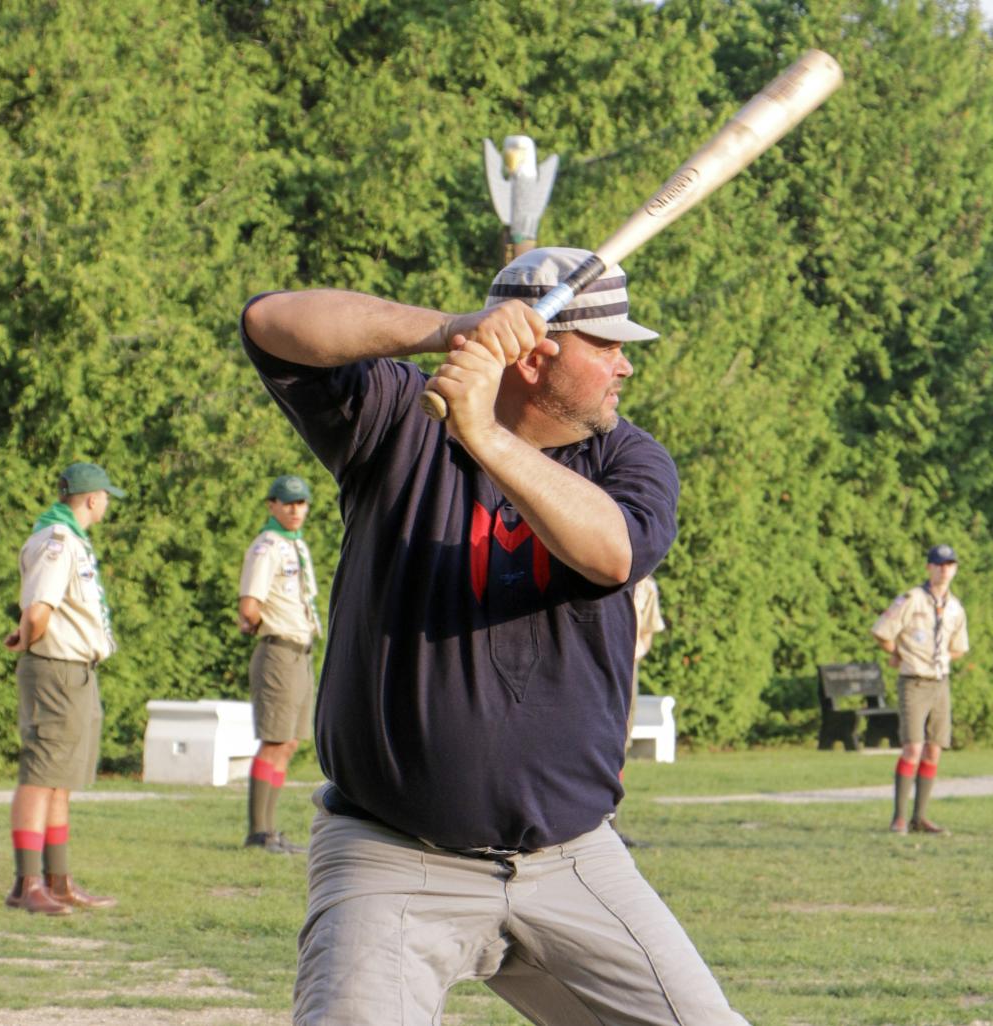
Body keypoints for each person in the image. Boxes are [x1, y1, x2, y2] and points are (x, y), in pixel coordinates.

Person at [241, 246, 749, 1025]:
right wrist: (451, 329)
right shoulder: (398, 424)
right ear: (538, 351)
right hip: (392, 855)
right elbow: (270, 322)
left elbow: (609, 550)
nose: (625, 367)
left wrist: (483, 432)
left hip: (573, 859)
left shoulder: (627, 457)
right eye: (607, 345)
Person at [2, 462, 124, 915]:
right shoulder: (57, 542)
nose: (108, 503)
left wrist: (26, 635)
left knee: (60, 780)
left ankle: (58, 880)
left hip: (74, 669)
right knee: (40, 776)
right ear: (92, 499)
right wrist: (30, 638)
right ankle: (26, 884)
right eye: (106, 496)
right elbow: (38, 609)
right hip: (55, 670)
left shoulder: (69, 539)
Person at [237, 473, 322, 854]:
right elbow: (249, 605)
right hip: (277, 650)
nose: (295, 509)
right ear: (271, 505)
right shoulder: (267, 547)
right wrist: (257, 625)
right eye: (287, 502)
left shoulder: (295, 546)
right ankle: (259, 832)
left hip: (299, 652)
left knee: (288, 742)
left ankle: (271, 831)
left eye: (301, 502)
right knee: (273, 741)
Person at [871, 543, 970, 835]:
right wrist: (900, 653)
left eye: (949, 564)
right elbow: (882, 631)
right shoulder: (911, 599)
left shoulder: (955, 607)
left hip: (940, 681)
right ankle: (899, 817)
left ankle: (920, 816)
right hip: (914, 681)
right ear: (928, 567)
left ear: (955, 569)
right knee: (913, 747)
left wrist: (936, 658)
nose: (944, 570)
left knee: (933, 750)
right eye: (939, 564)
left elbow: (959, 648)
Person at [615, 574, 666, 846]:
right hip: (598, 661)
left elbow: (648, 631)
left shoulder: (646, 586)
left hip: (627, 665)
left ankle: (611, 822)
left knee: (620, 741)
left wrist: (634, 653)